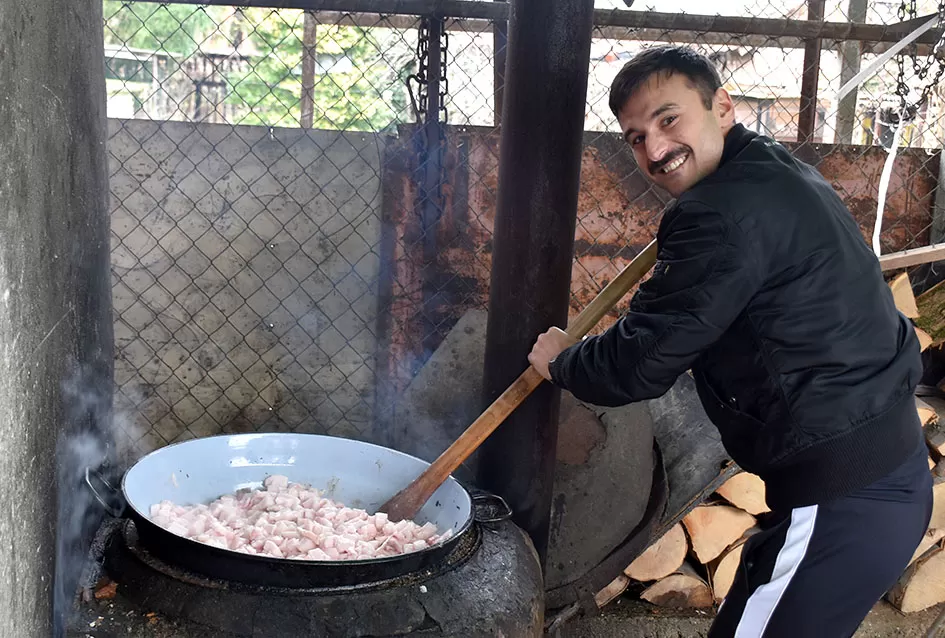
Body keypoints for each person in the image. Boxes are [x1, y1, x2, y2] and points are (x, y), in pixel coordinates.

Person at [528, 45, 933, 637]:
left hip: (844, 498)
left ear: (722, 106)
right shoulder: (770, 167)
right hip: (873, 477)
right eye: (636, 136)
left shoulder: (721, 212)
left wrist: (564, 361)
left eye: (669, 119)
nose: (655, 149)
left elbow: (640, 364)